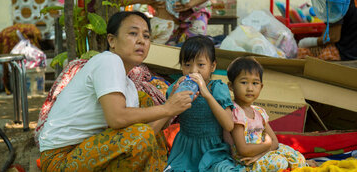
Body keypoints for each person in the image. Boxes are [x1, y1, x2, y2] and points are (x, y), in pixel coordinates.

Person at [38, 11, 194, 171]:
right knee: (141, 130)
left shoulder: (129, 86)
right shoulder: (108, 60)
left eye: (146, 36)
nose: (141, 41)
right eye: (133, 33)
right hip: (60, 159)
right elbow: (117, 118)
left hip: (88, 150)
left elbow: (148, 133)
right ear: (112, 40)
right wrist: (167, 108)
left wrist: (170, 106)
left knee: (144, 103)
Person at [165, 35, 243, 171]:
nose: (194, 71)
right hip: (185, 150)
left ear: (212, 66)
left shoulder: (217, 88)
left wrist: (206, 94)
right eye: (187, 65)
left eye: (201, 65)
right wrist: (173, 98)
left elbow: (229, 125)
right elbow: (165, 123)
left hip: (213, 150)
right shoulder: (176, 88)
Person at [224, 56, 307, 171]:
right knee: (279, 163)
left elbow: (275, 142)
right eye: (244, 82)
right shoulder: (236, 112)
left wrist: (263, 153)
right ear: (231, 86)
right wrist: (267, 145)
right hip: (246, 159)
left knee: (297, 156)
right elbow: (243, 149)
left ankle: (301, 164)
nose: (250, 88)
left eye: (255, 83)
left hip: (262, 153)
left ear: (261, 87)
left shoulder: (259, 112)